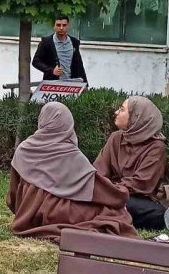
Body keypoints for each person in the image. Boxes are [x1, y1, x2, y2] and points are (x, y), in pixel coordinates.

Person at [7, 102, 138, 241]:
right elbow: (98, 189)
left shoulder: (23, 150)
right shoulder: (71, 155)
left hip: (29, 216)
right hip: (60, 213)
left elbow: (13, 197)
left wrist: (26, 208)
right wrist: (121, 193)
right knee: (113, 214)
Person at [94, 96, 168, 229]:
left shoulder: (156, 147)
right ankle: (108, 212)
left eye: (122, 110)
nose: (116, 112)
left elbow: (141, 184)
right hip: (108, 192)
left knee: (158, 214)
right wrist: (101, 188)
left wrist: (111, 190)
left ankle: (104, 212)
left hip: (133, 197)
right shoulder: (115, 138)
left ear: (136, 117)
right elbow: (99, 171)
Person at [32, 14, 87, 82]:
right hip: (53, 83)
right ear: (54, 26)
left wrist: (85, 83)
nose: (61, 28)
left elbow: (79, 63)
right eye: (58, 25)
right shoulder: (47, 42)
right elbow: (36, 61)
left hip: (72, 82)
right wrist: (51, 70)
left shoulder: (74, 42)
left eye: (64, 25)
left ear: (68, 26)